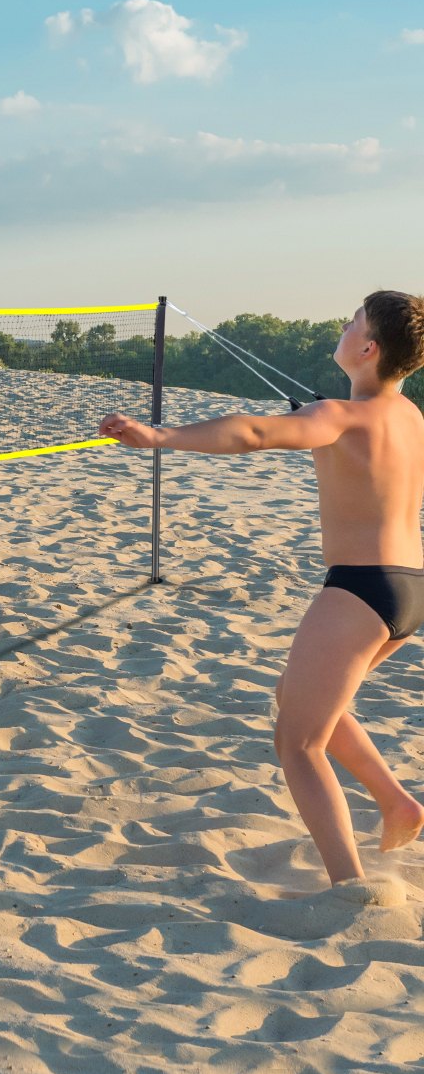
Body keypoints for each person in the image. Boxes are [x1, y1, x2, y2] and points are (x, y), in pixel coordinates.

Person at [100, 293, 424, 888]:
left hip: (360, 588)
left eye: (354, 320)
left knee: (298, 742)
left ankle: (351, 887)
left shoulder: (340, 414)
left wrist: (159, 437)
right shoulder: (409, 417)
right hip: (410, 591)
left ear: (369, 348)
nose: (345, 324)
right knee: (303, 702)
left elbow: (251, 432)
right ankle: (397, 803)